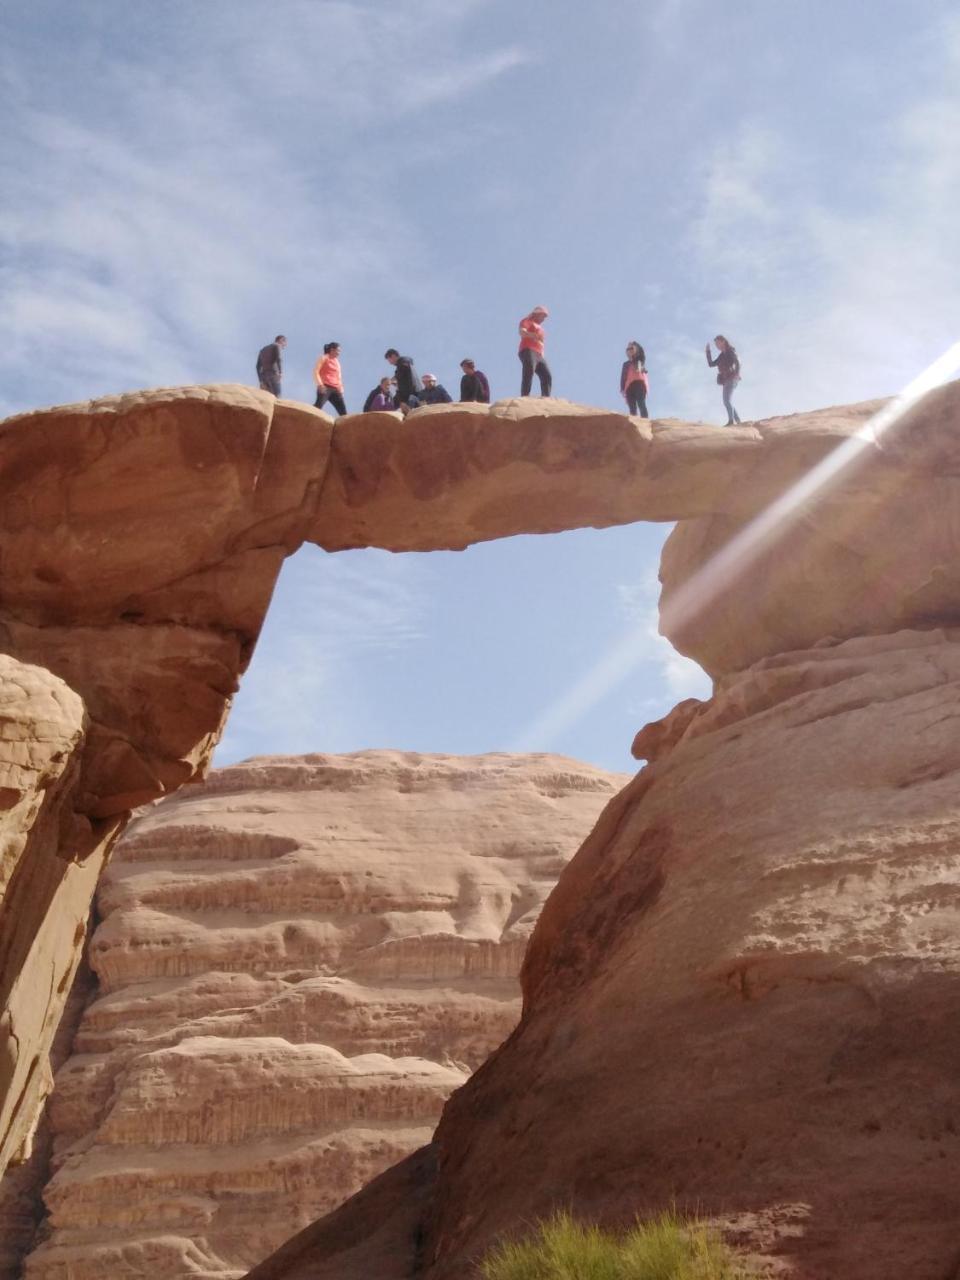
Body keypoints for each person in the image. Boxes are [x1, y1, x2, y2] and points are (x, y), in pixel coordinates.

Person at [705, 335, 742, 424]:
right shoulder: (721, 356)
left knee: (727, 401)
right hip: (727, 379)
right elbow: (711, 364)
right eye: (716, 344)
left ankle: (731, 421)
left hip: (732, 377)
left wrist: (737, 373)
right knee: (728, 400)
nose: (717, 346)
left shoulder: (730, 351)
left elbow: (737, 361)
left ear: (723, 341)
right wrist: (708, 352)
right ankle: (738, 421)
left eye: (717, 343)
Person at [518, 306, 552, 397]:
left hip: (539, 354)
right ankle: (525, 395)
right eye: (543, 316)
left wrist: (542, 354)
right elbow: (522, 332)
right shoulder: (527, 321)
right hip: (528, 349)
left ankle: (546, 397)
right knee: (529, 371)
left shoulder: (541, 329)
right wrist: (533, 335)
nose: (544, 319)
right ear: (537, 314)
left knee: (546, 375)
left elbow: (542, 342)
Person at [314, 342, 347, 416]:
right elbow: (316, 371)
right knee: (318, 407)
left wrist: (341, 390)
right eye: (338, 351)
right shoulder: (324, 358)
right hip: (325, 387)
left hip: (335, 389)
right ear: (332, 350)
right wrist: (320, 384)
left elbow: (339, 377)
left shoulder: (337, 362)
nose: (339, 353)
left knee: (343, 413)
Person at [620, 341, 649, 418]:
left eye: (631, 348)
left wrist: (635, 343)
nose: (629, 350)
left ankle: (645, 420)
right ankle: (635, 423)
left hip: (639, 383)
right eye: (628, 349)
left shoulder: (639, 360)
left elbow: (641, 352)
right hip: (628, 387)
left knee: (641, 403)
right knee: (632, 407)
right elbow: (623, 376)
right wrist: (622, 388)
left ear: (636, 349)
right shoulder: (625, 364)